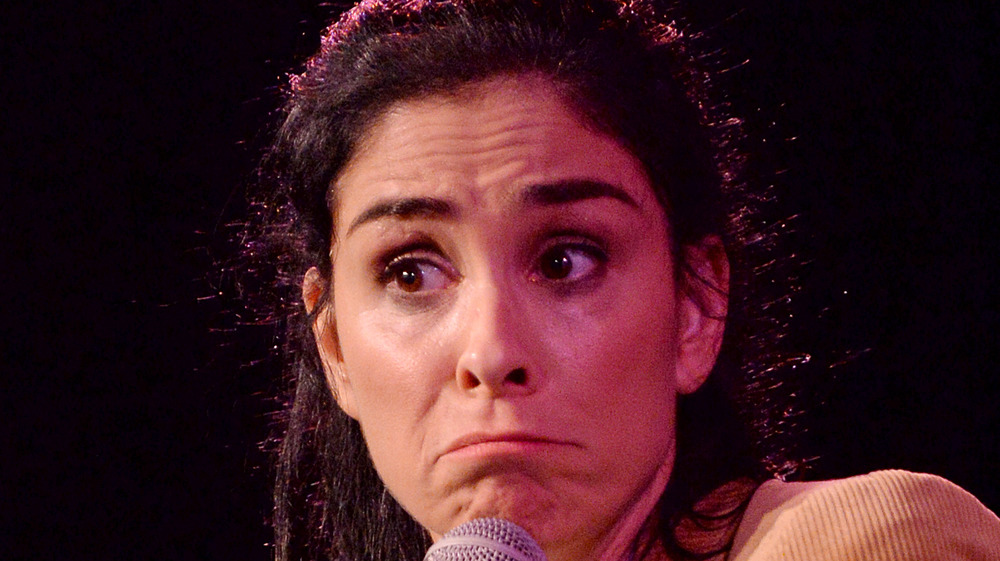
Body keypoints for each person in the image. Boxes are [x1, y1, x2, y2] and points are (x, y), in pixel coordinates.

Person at [242, 1, 1000, 560]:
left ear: (697, 305)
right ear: (335, 346)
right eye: (411, 271)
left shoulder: (866, 542)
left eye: (566, 259)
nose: (492, 350)